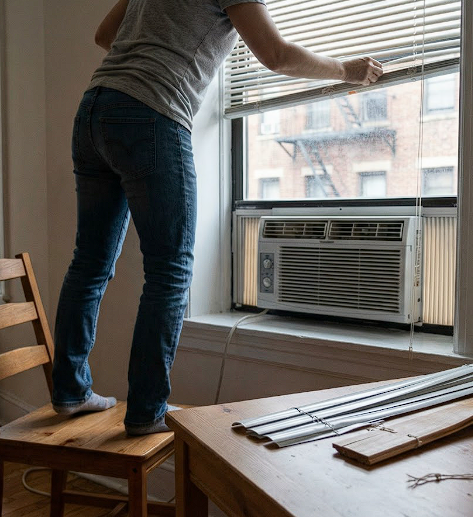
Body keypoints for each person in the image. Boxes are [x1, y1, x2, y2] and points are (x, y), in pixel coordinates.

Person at [50, 0, 382, 435]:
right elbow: (276, 55)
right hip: (151, 112)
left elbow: (104, 35)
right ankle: (147, 411)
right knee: (169, 271)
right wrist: (347, 70)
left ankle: (70, 390)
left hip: (94, 109)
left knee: (89, 262)